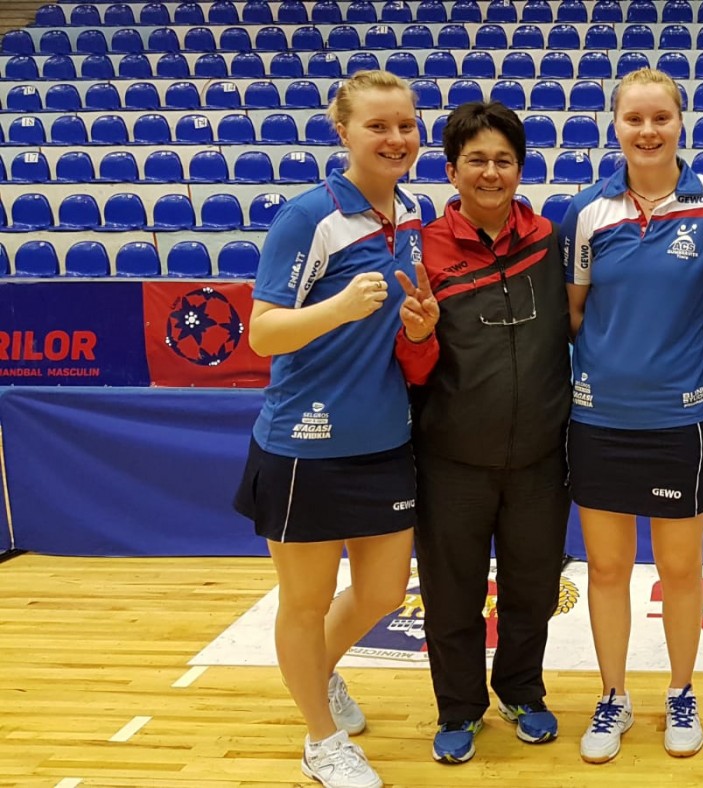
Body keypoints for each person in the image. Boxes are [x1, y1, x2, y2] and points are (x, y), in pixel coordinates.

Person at [232, 69, 436, 788]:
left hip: (385, 439)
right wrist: (339, 307)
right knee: (306, 602)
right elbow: (262, 333)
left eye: (405, 125)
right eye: (377, 126)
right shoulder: (309, 218)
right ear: (342, 131)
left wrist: (419, 325)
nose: (395, 138)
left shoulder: (412, 213)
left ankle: (317, 675)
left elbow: (401, 331)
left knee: (382, 593)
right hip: (304, 446)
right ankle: (320, 740)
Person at [558, 67, 703, 764]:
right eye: (633, 118)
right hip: (599, 420)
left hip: (682, 418)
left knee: (681, 569)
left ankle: (681, 691)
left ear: (681, 121)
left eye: (660, 117)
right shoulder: (586, 211)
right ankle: (613, 696)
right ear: (615, 125)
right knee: (607, 570)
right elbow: (573, 316)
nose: (647, 130)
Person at [394, 100, 572, 765]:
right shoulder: (424, 249)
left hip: (540, 459)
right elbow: (414, 368)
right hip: (451, 459)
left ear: (520, 170)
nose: (490, 172)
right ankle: (459, 707)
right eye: (476, 160)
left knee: (533, 590)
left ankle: (522, 691)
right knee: (452, 596)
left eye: (503, 160)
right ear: (451, 170)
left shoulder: (548, 240)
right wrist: (418, 335)